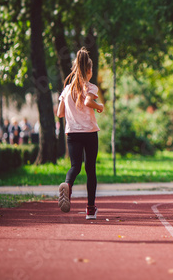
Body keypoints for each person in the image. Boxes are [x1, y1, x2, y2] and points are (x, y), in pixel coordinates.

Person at [57, 47, 104, 220]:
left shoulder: (67, 89)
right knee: (90, 169)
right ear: (89, 70)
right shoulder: (90, 87)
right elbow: (88, 101)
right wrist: (99, 107)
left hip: (72, 134)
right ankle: (90, 209)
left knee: (75, 166)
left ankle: (67, 184)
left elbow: (60, 113)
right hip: (90, 132)